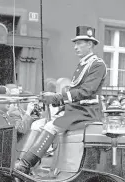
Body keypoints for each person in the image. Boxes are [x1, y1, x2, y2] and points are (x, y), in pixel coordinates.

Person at [15, 26, 107, 174]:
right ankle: (21, 160)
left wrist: (57, 97)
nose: (75, 47)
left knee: (52, 126)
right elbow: (73, 91)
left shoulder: (97, 64)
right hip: (75, 110)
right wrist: (53, 100)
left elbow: (86, 91)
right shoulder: (83, 64)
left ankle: (26, 165)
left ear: (90, 44)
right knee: (38, 124)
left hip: (87, 111)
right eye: (74, 44)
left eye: (79, 43)